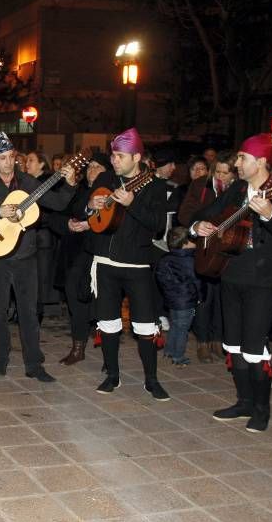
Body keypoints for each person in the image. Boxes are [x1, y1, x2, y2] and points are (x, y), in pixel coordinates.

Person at [192, 133, 272, 432]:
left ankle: (261, 408)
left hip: (262, 278)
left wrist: (270, 214)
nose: (237, 162)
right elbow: (209, 213)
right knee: (234, 343)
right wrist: (197, 225)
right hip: (230, 272)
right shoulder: (238, 187)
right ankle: (243, 401)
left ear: (261, 161)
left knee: (255, 346)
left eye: (243, 158)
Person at [0, 132, 77, 381]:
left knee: (28, 313)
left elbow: (57, 203)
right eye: (2, 158)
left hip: (26, 257)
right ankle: (0, 358)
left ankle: (34, 364)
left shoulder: (28, 183)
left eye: (11, 157)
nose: (7, 162)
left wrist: (69, 184)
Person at [83, 128, 170, 400]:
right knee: (107, 321)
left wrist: (132, 204)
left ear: (137, 157)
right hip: (105, 261)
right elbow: (86, 211)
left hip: (136, 264)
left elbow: (157, 226)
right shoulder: (106, 178)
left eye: (120, 156)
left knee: (145, 325)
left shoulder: (154, 185)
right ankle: (112, 375)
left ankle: (152, 380)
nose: (114, 160)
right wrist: (90, 205)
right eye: (113, 155)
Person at [51, 151, 110, 365]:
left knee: (102, 302)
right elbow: (59, 214)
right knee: (75, 297)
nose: (92, 170)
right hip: (74, 253)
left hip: (100, 253)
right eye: (90, 166)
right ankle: (78, 347)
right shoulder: (78, 190)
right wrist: (68, 224)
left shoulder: (109, 192)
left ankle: (106, 348)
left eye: (98, 167)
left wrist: (89, 222)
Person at [178, 151, 237, 363]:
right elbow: (184, 213)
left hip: (230, 249)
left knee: (223, 296)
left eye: (225, 173)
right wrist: (198, 223)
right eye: (217, 171)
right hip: (204, 246)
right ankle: (202, 342)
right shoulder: (200, 185)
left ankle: (218, 340)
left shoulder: (240, 188)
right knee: (204, 295)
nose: (220, 176)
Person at [155, 227, 202, 367]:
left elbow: (158, 276)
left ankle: (169, 350)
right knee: (182, 329)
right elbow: (197, 281)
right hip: (186, 301)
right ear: (186, 243)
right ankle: (178, 356)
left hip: (172, 300)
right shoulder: (190, 260)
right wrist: (200, 296)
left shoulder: (165, 258)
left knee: (175, 325)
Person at [26, 151, 60, 320]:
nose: (27, 163)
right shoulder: (25, 182)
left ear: (41, 164)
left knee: (40, 277)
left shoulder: (48, 183)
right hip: (28, 235)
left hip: (42, 235)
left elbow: (50, 210)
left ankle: (36, 313)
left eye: (31, 160)